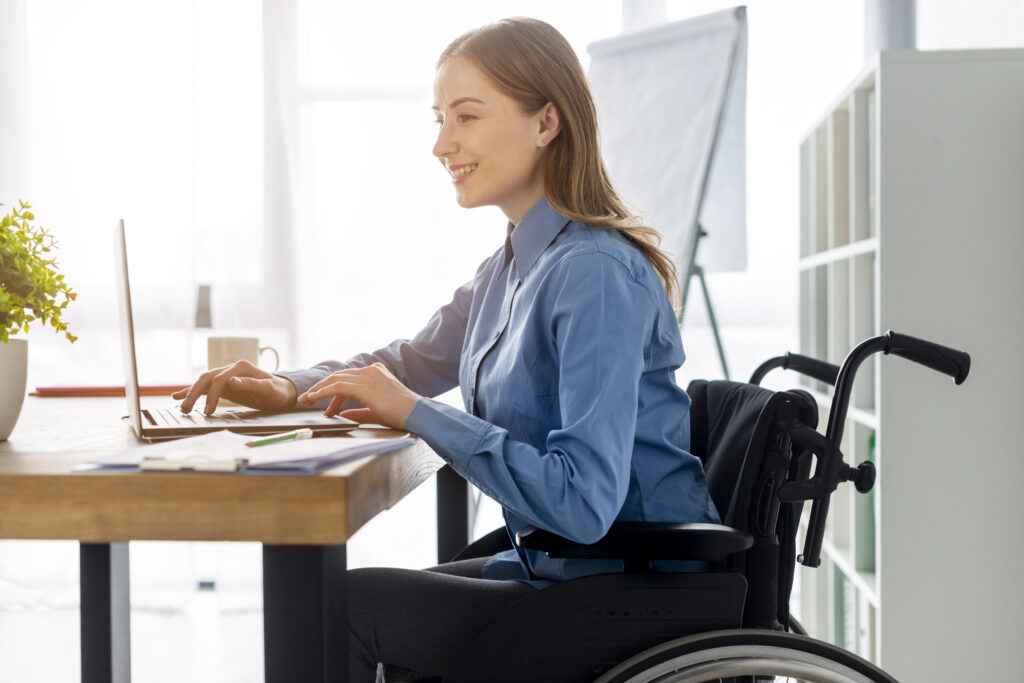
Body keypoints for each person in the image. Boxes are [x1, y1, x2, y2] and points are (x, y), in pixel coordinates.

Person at [174, 17, 720, 682]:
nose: (441, 144)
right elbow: (408, 363)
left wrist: (415, 412)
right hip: (560, 565)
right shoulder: (510, 266)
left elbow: (583, 501)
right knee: (358, 604)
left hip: (630, 587)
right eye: (439, 119)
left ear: (546, 122)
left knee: (344, 609)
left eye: (465, 117)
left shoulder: (595, 273)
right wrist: (288, 387)